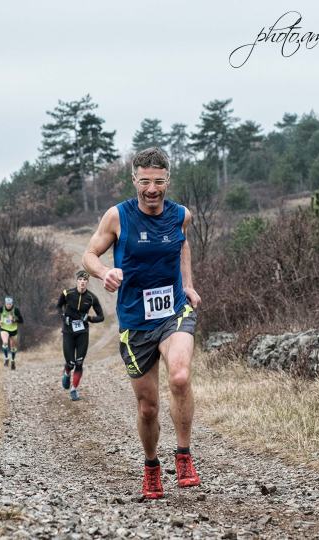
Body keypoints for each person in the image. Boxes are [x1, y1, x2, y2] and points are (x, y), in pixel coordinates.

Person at [82, 147, 202, 500]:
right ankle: (151, 466)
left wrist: (188, 284)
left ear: (168, 181)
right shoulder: (117, 217)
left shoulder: (181, 215)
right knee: (148, 408)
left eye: (159, 182)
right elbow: (89, 254)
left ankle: (183, 456)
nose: (152, 189)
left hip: (174, 312)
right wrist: (104, 272)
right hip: (136, 322)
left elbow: (182, 245)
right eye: (145, 181)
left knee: (180, 376)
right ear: (134, 180)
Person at [57, 270, 104, 401]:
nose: (82, 282)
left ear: (87, 282)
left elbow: (101, 317)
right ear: (77, 281)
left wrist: (89, 318)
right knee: (71, 362)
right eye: (80, 280)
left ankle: (74, 389)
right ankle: (67, 371)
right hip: (68, 332)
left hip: (82, 333)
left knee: (79, 362)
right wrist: (63, 317)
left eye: (85, 280)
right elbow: (58, 307)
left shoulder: (92, 298)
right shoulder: (67, 293)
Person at [0, 296, 23, 369]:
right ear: (5, 303)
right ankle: (6, 358)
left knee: (13, 347)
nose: (9, 305)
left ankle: (13, 361)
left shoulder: (16, 310)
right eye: (7, 304)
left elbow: (21, 320)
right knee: (5, 342)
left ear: (12, 304)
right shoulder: (2, 309)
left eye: (10, 304)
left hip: (13, 330)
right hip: (4, 328)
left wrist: (14, 320)